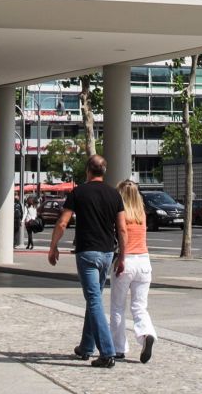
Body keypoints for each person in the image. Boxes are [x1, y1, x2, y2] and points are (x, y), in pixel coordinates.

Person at [46, 154, 122, 369]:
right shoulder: (114, 194)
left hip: (87, 253)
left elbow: (62, 223)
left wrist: (53, 247)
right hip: (108, 253)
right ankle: (86, 347)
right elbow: (122, 228)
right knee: (94, 299)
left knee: (94, 301)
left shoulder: (78, 192)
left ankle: (107, 352)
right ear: (103, 171)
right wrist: (122, 255)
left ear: (88, 170)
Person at [108, 180, 157, 365]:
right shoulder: (141, 214)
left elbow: (119, 234)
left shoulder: (120, 214)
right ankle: (147, 334)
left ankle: (118, 348)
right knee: (139, 306)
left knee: (118, 307)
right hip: (144, 261)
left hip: (126, 260)